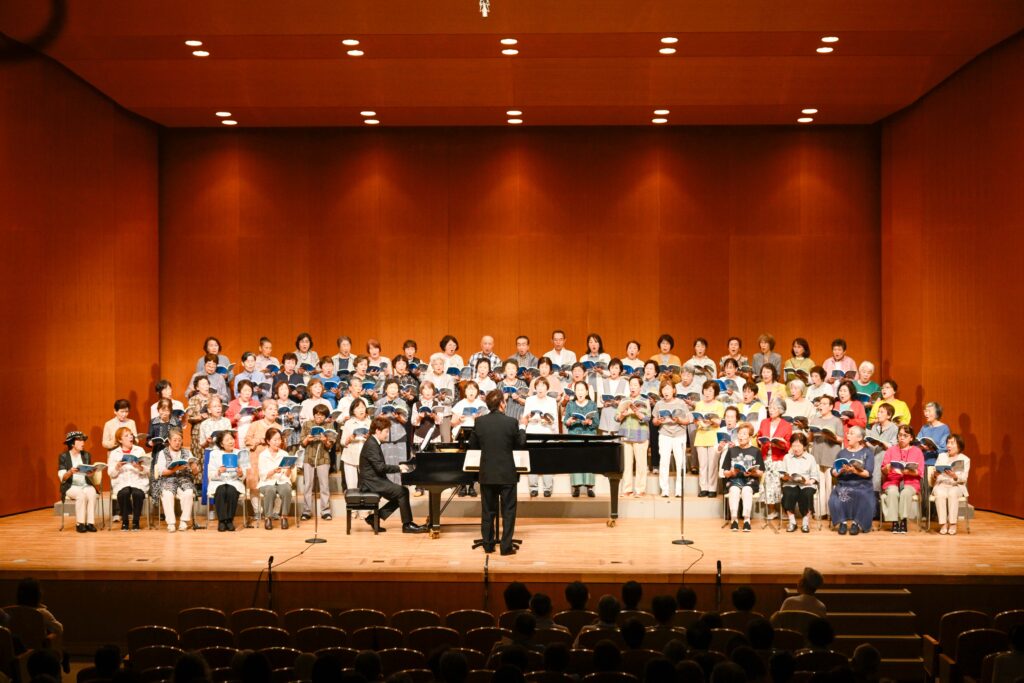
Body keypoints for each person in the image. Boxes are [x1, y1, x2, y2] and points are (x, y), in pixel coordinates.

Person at [470, 390, 527, 554]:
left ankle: (488, 545)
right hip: (507, 474)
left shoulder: (479, 422)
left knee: (488, 512)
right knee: (508, 512)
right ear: (502, 403)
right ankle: (505, 547)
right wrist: (523, 426)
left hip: (487, 473)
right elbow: (520, 444)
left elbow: (473, 446)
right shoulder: (511, 422)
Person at [359, 416, 427, 533]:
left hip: (375, 479)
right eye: (386, 431)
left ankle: (374, 518)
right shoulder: (371, 444)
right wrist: (398, 468)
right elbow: (380, 467)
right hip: (371, 482)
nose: (387, 435)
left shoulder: (373, 442)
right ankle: (407, 525)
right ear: (378, 431)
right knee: (403, 492)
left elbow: (379, 467)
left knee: (401, 494)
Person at [828, 426, 875, 535]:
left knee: (862, 495)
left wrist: (855, 471)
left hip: (862, 484)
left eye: (851, 433)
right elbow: (833, 471)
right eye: (848, 433)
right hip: (844, 483)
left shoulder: (867, 452)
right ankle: (843, 523)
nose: (848, 435)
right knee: (835, 498)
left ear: (859, 438)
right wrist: (840, 470)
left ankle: (856, 523)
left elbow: (868, 473)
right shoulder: (842, 453)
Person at [880, 424, 925, 534]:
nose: (902, 438)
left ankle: (903, 521)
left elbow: (920, 472)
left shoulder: (917, 451)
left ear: (911, 438)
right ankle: (895, 521)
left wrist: (908, 471)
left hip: (911, 482)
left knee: (905, 493)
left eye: (905, 435)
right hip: (893, 481)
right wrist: (887, 468)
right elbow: (883, 470)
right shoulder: (891, 450)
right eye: (900, 435)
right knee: (892, 492)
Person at [721, 422, 764, 532]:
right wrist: (732, 472)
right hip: (734, 479)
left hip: (750, 480)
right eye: (739, 434)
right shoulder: (731, 450)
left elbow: (760, 472)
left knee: (746, 490)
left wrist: (752, 473)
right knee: (734, 490)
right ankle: (734, 519)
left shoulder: (756, 451)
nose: (741, 436)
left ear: (750, 436)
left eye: (744, 434)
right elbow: (725, 472)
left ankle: (746, 520)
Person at [154, 428, 198, 532]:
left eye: (179, 440)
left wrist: (194, 468)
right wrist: (176, 469)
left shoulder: (187, 452)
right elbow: (162, 472)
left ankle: (184, 521)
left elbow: (195, 473)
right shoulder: (162, 453)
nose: (177, 443)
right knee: (167, 494)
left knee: (189, 492)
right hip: (168, 479)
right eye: (175, 440)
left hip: (184, 479)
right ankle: (171, 523)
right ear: (169, 441)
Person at [653, 380, 692, 498]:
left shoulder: (681, 403)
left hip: (679, 434)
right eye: (664, 389)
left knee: (680, 462)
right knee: (664, 462)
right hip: (664, 434)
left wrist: (679, 420)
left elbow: (688, 420)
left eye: (668, 389)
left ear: (674, 390)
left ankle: (679, 490)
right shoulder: (659, 404)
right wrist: (658, 421)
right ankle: (664, 489)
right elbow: (654, 421)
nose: (666, 391)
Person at [300, 404, 337, 521]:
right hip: (309, 458)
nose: (319, 417)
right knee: (308, 485)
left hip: (323, 458)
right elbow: (302, 443)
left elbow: (330, 445)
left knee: (324, 485)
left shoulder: (329, 425)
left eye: (322, 416)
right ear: (314, 414)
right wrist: (307, 439)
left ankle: (325, 511)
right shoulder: (307, 424)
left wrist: (325, 440)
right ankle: (306, 511)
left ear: (325, 417)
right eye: (317, 415)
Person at [522, 377, 558, 497]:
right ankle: (533, 487)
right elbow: (525, 417)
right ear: (535, 388)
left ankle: (548, 488)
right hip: (532, 431)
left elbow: (554, 420)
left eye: (543, 386)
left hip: (547, 432)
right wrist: (530, 418)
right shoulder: (529, 400)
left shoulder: (552, 401)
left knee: (547, 460)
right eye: (538, 386)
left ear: (547, 388)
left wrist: (547, 421)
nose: (540, 388)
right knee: (532, 459)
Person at [108, 427, 149, 531]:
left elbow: (147, 470)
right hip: (121, 482)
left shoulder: (139, 450)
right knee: (124, 493)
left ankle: (136, 521)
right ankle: (125, 522)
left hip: (138, 481)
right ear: (120, 440)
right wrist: (117, 466)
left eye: (131, 434)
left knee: (137, 493)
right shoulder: (114, 453)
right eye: (126, 435)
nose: (130, 437)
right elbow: (111, 473)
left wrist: (139, 467)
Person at [809, 395, 844, 519]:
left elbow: (841, 439)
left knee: (829, 485)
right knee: (819, 484)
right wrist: (809, 430)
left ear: (830, 407)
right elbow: (810, 439)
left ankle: (831, 512)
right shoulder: (815, 419)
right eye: (820, 403)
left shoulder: (836, 421)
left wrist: (831, 436)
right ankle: (820, 512)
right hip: (817, 454)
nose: (821, 406)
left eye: (824, 404)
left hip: (831, 454)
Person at [757, 398, 792, 519]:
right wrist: (760, 441)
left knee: (778, 484)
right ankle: (772, 511)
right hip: (765, 457)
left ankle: (784, 510)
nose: (770, 411)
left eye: (774, 408)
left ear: (781, 410)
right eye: (770, 408)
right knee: (767, 484)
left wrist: (779, 444)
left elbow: (788, 445)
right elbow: (759, 436)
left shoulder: (786, 425)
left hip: (779, 458)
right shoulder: (764, 422)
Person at [617, 375, 651, 497]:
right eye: (631, 385)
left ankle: (640, 489)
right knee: (627, 464)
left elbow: (647, 418)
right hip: (626, 435)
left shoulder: (645, 401)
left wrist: (636, 412)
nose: (633, 387)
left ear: (640, 387)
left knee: (641, 464)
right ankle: (627, 489)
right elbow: (616, 417)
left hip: (640, 435)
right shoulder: (624, 400)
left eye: (635, 385)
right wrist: (623, 414)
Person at [58, 431, 99, 532]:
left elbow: (88, 475)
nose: (83, 443)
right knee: (81, 495)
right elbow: (63, 478)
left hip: (85, 484)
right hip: (70, 486)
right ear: (72, 443)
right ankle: (80, 523)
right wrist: (70, 472)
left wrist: (91, 473)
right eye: (80, 440)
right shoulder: (64, 456)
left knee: (92, 493)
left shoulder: (86, 455)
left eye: (83, 440)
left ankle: (90, 523)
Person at [564, 380, 599, 497]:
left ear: (587, 392)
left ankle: (589, 487)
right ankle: (576, 487)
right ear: (575, 392)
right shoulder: (570, 404)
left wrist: (589, 422)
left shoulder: (592, 404)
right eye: (578, 390)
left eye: (582, 390)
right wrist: (569, 421)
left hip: (589, 435)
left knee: (589, 459)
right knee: (576, 460)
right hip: (574, 435)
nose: (580, 392)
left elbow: (596, 422)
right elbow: (566, 421)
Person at [207, 428, 246, 532]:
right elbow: (210, 474)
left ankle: (229, 520)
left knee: (231, 490)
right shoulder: (214, 454)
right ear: (221, 443)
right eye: (227, 440)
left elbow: (244, 475)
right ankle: (221, 521)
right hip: (218, 481)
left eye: (232, 439)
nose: (231, 441)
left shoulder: (240, 453)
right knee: (221, 490)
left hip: (234, 481)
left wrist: (241, 473)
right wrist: (219, 471)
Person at [258, 428, 295, 529]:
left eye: (279, 439)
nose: (278, 442)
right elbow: (262, 475)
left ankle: (284, 517)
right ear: (268, 441)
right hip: (267, 482)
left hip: (281, 480)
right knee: (270, 490)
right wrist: (274, 471)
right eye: (275, 440)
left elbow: (287, 476)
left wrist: (289, 468)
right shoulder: (263, 455)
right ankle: (268, 518)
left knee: (286, 489)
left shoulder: (284, 454)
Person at [693, 379, 725, 497]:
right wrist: (700, 423)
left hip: (713, 436)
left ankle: (712, 488)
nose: (707, 393)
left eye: (710, 391)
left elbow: (719, 421)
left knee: (713, 464)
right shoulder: (699, 404)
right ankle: (704, 488)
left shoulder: (719, 405)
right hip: (701, 435)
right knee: (702, 464)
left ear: (715, 392)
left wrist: (710, 421)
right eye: (706, 390)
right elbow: (696, 420)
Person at [781, 433, 817, 533]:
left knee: (807, 494)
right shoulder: (787, 457)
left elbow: (815, 476)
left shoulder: (810, 458)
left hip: (806, 484)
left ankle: (805, 523)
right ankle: (792, 522)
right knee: (788, 493)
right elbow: (782, 475)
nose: (796, 449)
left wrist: (809, 481)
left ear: (804, 446)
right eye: (793, 446)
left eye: (798, 446)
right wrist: (785, 477)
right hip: (790, 483)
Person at [340, 398, 371, 493]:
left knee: (367, 486)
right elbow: (342, 442)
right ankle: (353, 502)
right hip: (350, 457)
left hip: (366, 458)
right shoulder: (348, 423)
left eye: (363, 407)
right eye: (358, 408)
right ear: (353, 411)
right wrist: (350, 438)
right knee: (351, 487)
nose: (361, 410)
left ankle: (366, 502)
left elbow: (376, 441)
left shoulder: (370, 422)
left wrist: (369, 437)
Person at [917, 402, 950, 466]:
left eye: (929, 411)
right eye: (925, 411)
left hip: (937, 463)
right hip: (922, 462)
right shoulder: (924, 428)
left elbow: (944, 449)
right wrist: (920, 446)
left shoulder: (944, 428)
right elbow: (918, 441)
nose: (926, 414)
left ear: (937, 413)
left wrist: (932, 449)